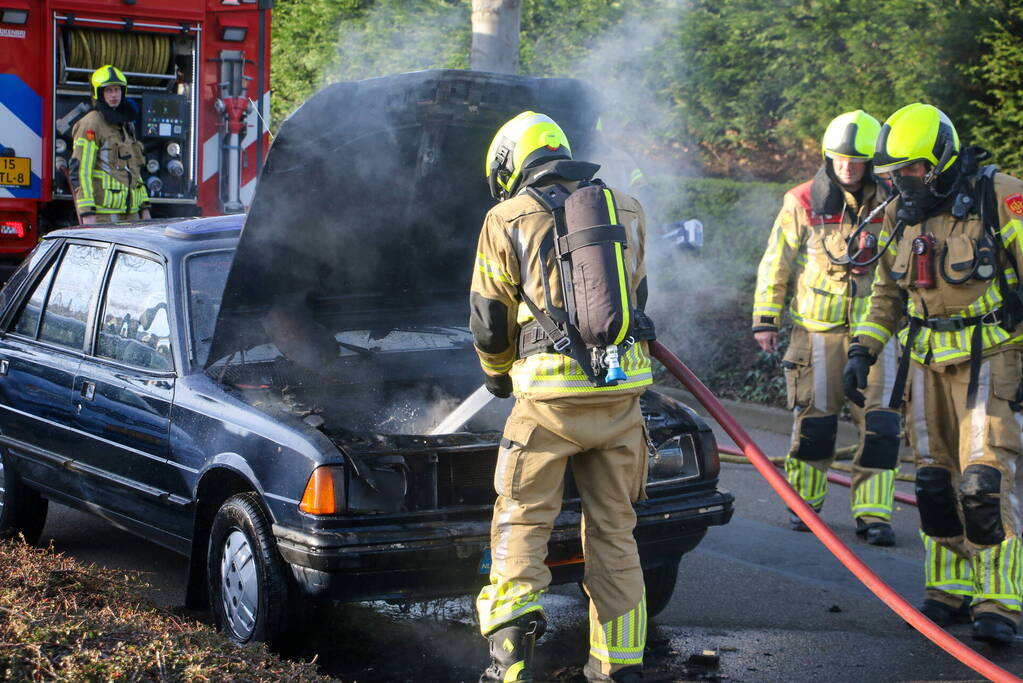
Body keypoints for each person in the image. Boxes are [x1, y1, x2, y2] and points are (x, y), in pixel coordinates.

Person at [471, 111, 653, 683]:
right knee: (614, 532)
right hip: (620, 397)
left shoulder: (506, 217)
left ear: (509, 164)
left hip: (549, 404)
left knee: (522, 522)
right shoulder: (625, 206)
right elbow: (635, 296)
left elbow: (488, 319)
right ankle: (617, 664)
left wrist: (497, 373)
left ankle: (510, 665)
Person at [845, 103, 1023, 645]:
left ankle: (1000, 598)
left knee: (985, 483)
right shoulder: (903, 212)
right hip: (925, 364)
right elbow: (888, 294)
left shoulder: (1000, 196)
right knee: (934, 484)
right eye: (895, 175)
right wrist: (863, 350)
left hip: (992, 360)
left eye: (912, 171)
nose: (902, 183)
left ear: (941, 160)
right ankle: (949, 589)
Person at [752, 110, 900, 545]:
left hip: (877, 333)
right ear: (827, 158)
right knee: (816, 424)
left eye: (856, 161)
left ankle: (874, 514)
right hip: (818, 332)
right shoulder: (801, 200)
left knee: (882, 426)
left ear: (871, 162)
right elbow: (775, 260)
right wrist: (766, 317)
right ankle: (805, 506)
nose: (847, 168)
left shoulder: (893, 202)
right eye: (839, 160)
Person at [70, 65, 151, 224]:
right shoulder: (91, 123)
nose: (114, 95)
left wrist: (145, 208)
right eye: (108, 90)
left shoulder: (126, 125)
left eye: (117, 90)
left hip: (132, 214)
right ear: (99, 93)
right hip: (104, 215)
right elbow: (81, 169)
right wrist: (87, 212)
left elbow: (135, 170)